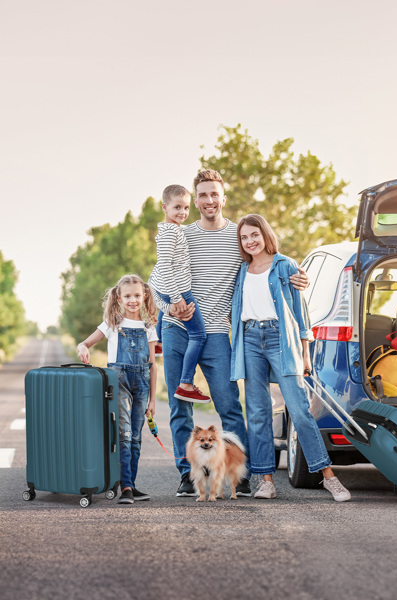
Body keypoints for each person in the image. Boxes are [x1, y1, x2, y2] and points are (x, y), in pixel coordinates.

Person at [150, 169, 308, 498]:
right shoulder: (181, 234)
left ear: (224, 198)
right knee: (181, 406)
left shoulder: (239, 236)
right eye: (203, 195)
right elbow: (157, 281)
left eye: (214, 194)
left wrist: (298, 275)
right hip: (177, 330)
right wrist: (171, 309)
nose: (209, 200)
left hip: (218, 334)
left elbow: (270, 259)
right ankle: (186, 473)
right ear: (195, 201)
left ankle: (241, 472)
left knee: (229, 405)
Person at [230, 214, 351, 502]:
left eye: (254, 235)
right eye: (245, 237)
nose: (250, 242)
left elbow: (301, 314)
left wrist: (306, 354)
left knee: (299, 411)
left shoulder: (286, 266)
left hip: (280, 339)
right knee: (258, 415)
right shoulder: (242, 270)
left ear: (265, 234)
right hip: (249, 340)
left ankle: (328, 477)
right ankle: (266, 481)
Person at [77, 274, 158, 505]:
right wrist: (82, 347)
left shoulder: (149, 327)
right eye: (128, 296)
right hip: (119, 383)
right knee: (124, 436)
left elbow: (152, 367)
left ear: (144, 297)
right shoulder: (112, 324)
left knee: (136, 437)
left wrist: (153, 400)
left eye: (137, 296)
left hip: (141, 385)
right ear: (119, 298)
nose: (133, 300)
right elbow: (86, 342)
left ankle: (130, 483)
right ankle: (126, 487)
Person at [151, 184, 209, 403]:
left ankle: (158, 342)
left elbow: (158, 272)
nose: (182, 213)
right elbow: (164, 267)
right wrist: (176, 299)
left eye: (186, 208)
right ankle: (186, 383)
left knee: (190, 331)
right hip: (180, 290)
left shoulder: (173, 230)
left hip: (171, 289)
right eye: (177, 208)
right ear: (164, 207)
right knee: (198, 335)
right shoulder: (168, 235)